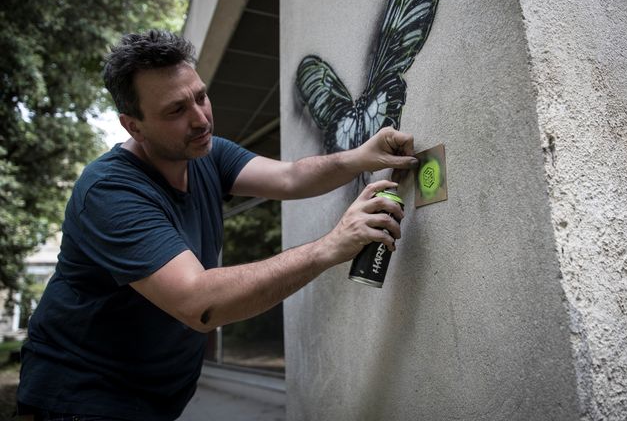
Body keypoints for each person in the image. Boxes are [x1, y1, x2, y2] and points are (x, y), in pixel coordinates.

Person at [16, 30, 417, 420]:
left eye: (201, 97)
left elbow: (292, 177)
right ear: (133, 125)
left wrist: (362, 156)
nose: (200, 119)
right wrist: (330, 247)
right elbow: (199, 304)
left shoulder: (204, 153)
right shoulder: (109, 191)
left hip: (154, 396)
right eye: (176, 110)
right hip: (82, 397)